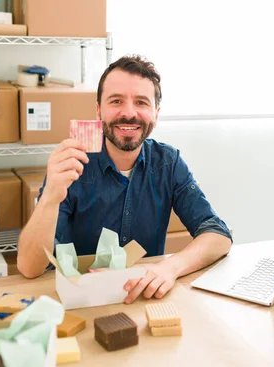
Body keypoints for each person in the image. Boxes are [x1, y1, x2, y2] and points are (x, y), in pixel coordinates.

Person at [17, 55, 232, 304]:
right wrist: (51, 197)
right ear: (98, 110)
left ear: (156, 113)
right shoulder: (72, 164)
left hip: (143, 300)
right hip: (80, 302)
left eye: (141, 102)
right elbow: (29, 268)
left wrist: (169, 268)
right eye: (116, 101)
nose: (129, 113)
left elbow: (218, 235)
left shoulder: (168, 163)